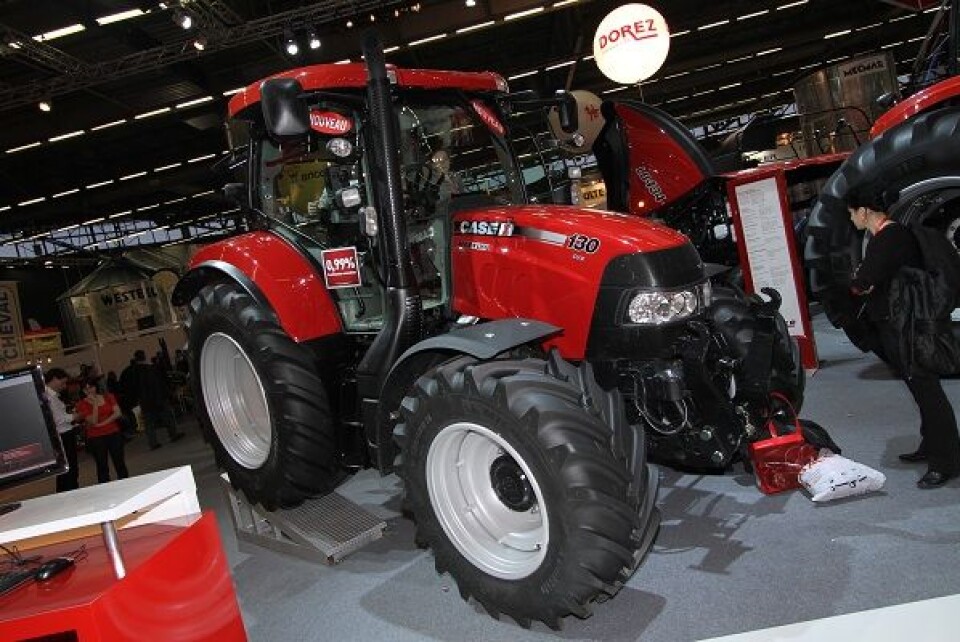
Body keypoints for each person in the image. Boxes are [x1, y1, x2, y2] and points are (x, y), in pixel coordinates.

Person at [847, 186, 960, 488]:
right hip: (903, 325)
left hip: (908, 328)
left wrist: (858, 280)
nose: (851, 218)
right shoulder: (891, 236)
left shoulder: (888, 238)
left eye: (851, 212)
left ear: (864, 211)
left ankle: (946, 461)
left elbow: (863, 282)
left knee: (928, 392)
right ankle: (932, 445)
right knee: (921, 390)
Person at [74, 376, 129, 484]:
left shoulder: (108, 396)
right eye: (86, 388)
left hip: (114, 432)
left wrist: (103, 423)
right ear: (83, 391)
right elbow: (93, 421)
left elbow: (118, 413)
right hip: (96, 437)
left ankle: (126, 484)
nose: (89, 390)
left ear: (96, 387)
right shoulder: (81, 404)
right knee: (102, 465)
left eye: (91, 387)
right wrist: (94, 404)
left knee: (120, 462)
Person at [132, 349, 185, 450]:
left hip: (145, 402)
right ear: (144, 356)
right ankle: (173, 435)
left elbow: (134, 388)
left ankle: (153, 443)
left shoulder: (133, 372)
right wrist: (165, 396)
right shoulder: (150, 369)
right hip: (157, 399)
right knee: (168, 417)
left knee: (149, 424)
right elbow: (157, 385)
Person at [44, 368, 81, 492]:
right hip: (63, 436)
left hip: (62, 435)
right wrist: (74, 416)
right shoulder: (49, 396)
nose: (64, 386)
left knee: (64, 470)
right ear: (54, 379)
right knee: (70, 470)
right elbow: (58, 419)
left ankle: (67, 493)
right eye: (62, 383)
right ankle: (71, 494)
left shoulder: (51, 395)